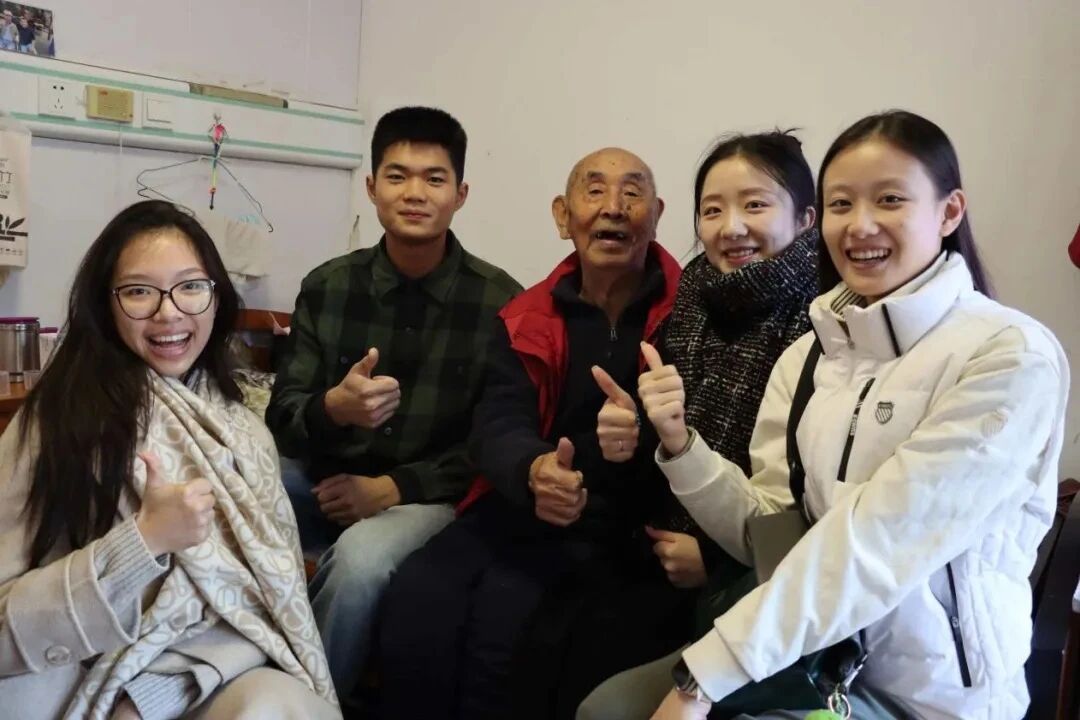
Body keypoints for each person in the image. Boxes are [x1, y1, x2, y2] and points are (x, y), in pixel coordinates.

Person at [639, 110, 1069, 720]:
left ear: (950, 211)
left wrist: (703, 677)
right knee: (604, 706)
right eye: (842, 204)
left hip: (932, 699)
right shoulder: (809, 357)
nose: (860, 225)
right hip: (813, 664)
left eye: (889, 199)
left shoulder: (1008, 354)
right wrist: (681, 447)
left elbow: (880, 539)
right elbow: (768, 529)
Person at [0, 200, 339, 720]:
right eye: (139, 291)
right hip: (68, 664)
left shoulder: (244, 435)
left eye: (190, 287)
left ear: (216, 297)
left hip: (198, 677)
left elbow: (268, 611)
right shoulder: (55, 420)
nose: (169, 312)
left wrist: (151, 696)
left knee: (281, 706)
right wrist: (143, 542)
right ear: (104, 304)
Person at [377, 147, 684, 720]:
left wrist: (642, 436)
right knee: (420, 593)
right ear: (563, 216)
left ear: (657, 214)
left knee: (515, 621)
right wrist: (534, 468)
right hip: (526, 501)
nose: (613, 208)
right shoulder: (527, 314)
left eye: (632, 192)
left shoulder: (687, 313)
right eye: (594, 190)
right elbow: (497, 420)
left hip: (631, 524)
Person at [264, 106, 521, 710]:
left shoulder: (501, 303)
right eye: (398, 176)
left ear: (460, 195)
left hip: (426, 498)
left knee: (359, 564)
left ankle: (308, 706)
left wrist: (391, 488)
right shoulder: (328, 286)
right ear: (372, 187)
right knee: (229, 480)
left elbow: (493, 443)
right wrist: (333, 409)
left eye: (434, 179)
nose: (414, 193)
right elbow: (284, 415)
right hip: (324, 479)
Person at [576, 130, 820, 720]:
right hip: (659, 545)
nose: (731, 227)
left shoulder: (824, 321)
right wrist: (628, 435)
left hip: (759, 585)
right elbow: (666, 434)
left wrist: (715, 561)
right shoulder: (694, 295)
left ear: (806, 219)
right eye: (712, 210)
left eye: (755, 205)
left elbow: (816, 504)